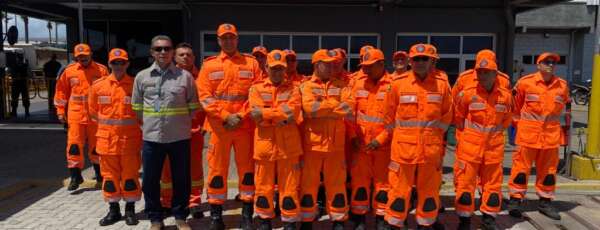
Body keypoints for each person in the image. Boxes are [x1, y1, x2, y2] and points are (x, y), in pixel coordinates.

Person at [196, 23, 262, 230]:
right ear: (218, 41)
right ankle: (216, 216)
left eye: (231, 37)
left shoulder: (251, 64)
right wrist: (226, 116)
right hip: (219, 128)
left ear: (237, 39)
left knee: (247, 171)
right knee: (217, 170)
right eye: (224, 38)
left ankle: (246, 214)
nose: (228, 41)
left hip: (245, 127)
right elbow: (204, 97)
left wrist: (240, 116)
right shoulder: (209, 65)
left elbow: (257, 94)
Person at [132, 35, 199, 230]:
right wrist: (149, 125)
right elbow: (136, 107)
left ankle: (180, 216)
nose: (163, 52)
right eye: (159, 49)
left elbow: (193, 107)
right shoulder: (142, 77)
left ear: (172, 52)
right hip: (152, 138)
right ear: (152, 52)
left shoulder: (184, 77)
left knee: (181, 180)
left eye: (167, 48)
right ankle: (155, 218)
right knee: (150, 180)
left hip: (179, 137)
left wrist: (179, 123)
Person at [383, 44, 452, 229]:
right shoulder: (398, 83)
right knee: (399, 190)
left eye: (424, 59)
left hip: (430, 149)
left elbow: (447, 114)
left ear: (432, 61)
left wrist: (435, 136)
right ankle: (395, 223)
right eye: (416, 59)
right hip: (403, 150)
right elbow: (388, 116)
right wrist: (398, 136)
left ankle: (425, 223)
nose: (420, 62)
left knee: (429, 191)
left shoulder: (442, 84)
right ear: (410, 61)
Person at [452, 51, 513, 230]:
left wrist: (494, 136)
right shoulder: (467, 94)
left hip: (493, 148)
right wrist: (466, 139)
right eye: (480, 72)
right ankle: (464, 220)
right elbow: (458, 118)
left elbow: (507, 119)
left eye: (487, 72)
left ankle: (489, 218)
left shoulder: (505, 96)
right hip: (469, 147)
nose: (483, 75)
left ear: (496, 74)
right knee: (465, 184)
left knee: (492, 185)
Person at [507, 52, 569, 221]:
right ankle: (515, 202)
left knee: (548, 173)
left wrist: (563, 135)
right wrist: (518, 127)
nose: (550, 65)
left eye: (553, 62)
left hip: (551, 137)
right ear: (538, 65)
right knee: (520, 170)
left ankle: (545, 203)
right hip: (528, 136)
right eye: (546, 62)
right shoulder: (525, 83)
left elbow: (563, 110)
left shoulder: (562, 86)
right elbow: (514, 108)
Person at [298, 49, 355, 230]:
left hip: (335, 147)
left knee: (337, 185)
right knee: (308, 185)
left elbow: (348, 107)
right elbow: (309, 109)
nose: (331, 66)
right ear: (316, 65)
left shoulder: (342, 85)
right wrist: (334, 105)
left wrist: (322, 107)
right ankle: (307, 222)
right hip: (312, 146)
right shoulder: (305, 86)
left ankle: (338, 221)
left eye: (333, 63)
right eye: (327, 63)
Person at [248, 49, 303, 230]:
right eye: (274, 68)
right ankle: (265, 221)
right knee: (263, 187)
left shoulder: (295, 89)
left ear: (286, 69)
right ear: (266, 67)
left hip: (289, 148)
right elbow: (256, 117)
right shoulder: (256, 89)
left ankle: (289, 222)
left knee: (290, 188)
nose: (278, 72)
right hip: (265, 147)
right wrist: (281, 117)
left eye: (281, 68)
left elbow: (293, 112)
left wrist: (265, 114)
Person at [88, 48, 142, 226]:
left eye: (122, 62)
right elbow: (93, 113)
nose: (118, 66)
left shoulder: (136, 85)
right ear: (109, 64)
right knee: (109, 178)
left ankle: (130, 210)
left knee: (130, 177)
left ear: (127, 64)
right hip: (106, 142)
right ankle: (113, 211)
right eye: (114, 63)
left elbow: (141, 113)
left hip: (129, 142)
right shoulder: (98, 86)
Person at [159, 42, 206, 219]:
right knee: (168, 168)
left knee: (194, 170)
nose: (185, 57)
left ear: (194, 58)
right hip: (171, 133)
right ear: (174, 57)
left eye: (189, 54)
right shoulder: (165, 77)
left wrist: (205, 127)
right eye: (181, 54)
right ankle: (167, 201)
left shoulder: (203, 77)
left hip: (195, 132)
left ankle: (194, 202)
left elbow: (209, 103)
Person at [348, 48, 393, 230]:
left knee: (383, 185)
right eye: (363, 67)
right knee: (359, 183)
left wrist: (380, 139)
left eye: (369, 66)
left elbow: (398, 119)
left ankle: (381, 220)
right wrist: (352, 137)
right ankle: (359, 219)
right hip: (361, 146)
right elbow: (350, 114)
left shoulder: (393, 85)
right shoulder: (357, 85)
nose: (365, 70)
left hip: (383, 147)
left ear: (381, 64)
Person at [55, 43, 109, 191]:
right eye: (80, 57)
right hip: (76, 115)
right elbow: (61, 93)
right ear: (75, 57)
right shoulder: (69, 71)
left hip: (95, 116)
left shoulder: (102, 70)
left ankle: (100, 175)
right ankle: (75, 176)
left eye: (85, 55)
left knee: (97, 146)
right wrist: (60, 111)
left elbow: (108, 91)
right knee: (74, 146)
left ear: (90, 54)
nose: (83, 58)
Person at [9, 53, 31, 118]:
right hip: (23, 84)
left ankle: (14, 112)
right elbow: (29, 74)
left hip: (16, 84)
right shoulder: (25, 65)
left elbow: (11, 73)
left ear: (17, 58)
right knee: (25, 97)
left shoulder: (13, 65)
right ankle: (27, 112)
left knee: (14, 98)